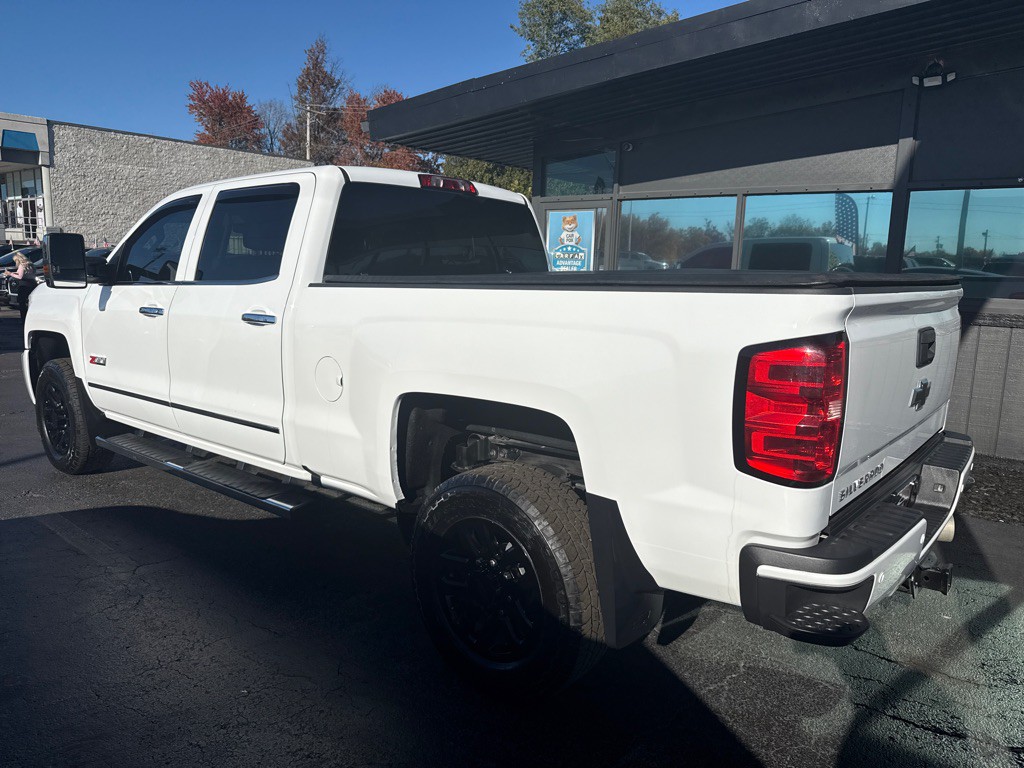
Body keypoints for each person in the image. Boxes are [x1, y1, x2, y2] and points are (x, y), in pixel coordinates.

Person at [3, 253, 37, 321]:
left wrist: (10, 274)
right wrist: (15, 273)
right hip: (32, 283)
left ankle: (23, 318)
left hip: (24, 285)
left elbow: (20, 276)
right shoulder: (30, 264)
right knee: (31, 301)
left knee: (22, 302)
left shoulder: (22, 265)